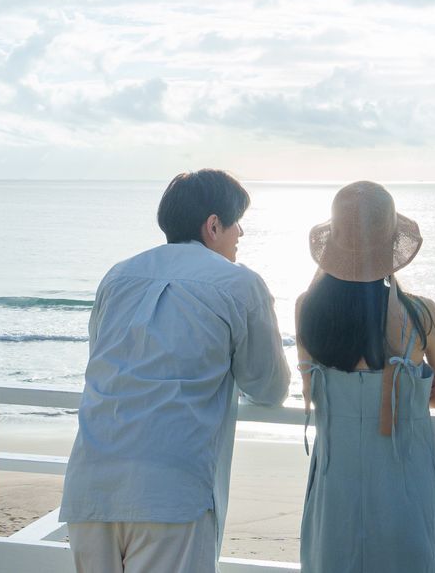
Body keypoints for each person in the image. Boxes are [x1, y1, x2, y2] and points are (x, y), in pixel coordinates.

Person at [63, 170, 290, 573]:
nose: (241, 234)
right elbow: (268, 386)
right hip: (172, 488)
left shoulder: (119, 275)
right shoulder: (239, 284)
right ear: (214, 225)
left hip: (92, 482)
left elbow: (100, 352)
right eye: (237, 222)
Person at [295, 181, 435, 573]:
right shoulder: (420, 314)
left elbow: (312, 390)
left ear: (333, 245)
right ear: (392, 243)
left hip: (334, 485)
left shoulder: (307, 310)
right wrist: (407, 392)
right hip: (403, 486)